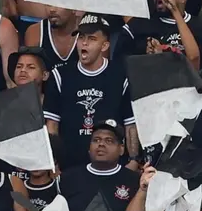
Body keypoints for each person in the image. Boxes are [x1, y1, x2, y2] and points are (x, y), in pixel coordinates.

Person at [44, 14, 138, 168]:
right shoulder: (60, 75)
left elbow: (130, 125)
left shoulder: (121, 75)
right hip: (70, 166)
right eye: (81, 37)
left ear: (104, 46)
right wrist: (53, 163)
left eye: (92, 39)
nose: (84, 43)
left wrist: (133, 160)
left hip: (112, 166)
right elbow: (52, 126)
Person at [57, 119, 140, 211]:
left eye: (109, 141)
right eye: (96, 140)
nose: (101, 144)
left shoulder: (134, 180)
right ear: (89, 147)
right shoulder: (68, 178)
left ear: (121, 149)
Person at [24, 4, 79, 70]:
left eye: (58, 3)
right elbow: (30, 70)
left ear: (73, 8)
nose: (52, 9)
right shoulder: (35, 31)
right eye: (48, 4)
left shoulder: (87, 30)